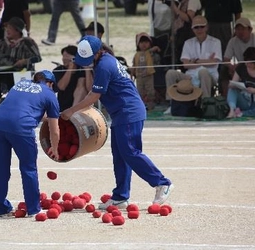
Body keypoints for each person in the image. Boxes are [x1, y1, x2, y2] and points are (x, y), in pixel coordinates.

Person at [61, 35, 174, 209]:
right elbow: (92, 89)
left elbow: (94, 96)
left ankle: (162, 183)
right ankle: (121, 196)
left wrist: (71, 110)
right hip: (121, 113)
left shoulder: (105, 65)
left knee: (130, 152)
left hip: (128, 112)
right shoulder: (102, 61)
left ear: (98, 51)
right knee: (119, 155)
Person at [0, 70, 60, 217]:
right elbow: (54, 131)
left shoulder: (20, 84)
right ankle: (34, 208)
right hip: (21, 127)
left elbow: (22, 107)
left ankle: (2, 207)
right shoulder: (49, 94)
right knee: (28, 168)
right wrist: (55, 148)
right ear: (50, 84)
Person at [164, 15, 222, 114]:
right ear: (192, 29)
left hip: (209, 75)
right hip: (190, 76)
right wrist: (206, 61)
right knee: (170, 73)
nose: (199, 29)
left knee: (203, 72)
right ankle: (172, 104)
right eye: (196, 27)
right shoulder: (188, 43)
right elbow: (185, 65)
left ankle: (206, 105)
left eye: (202, 26)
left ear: (207, 27)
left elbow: (214, 62)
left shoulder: (215, 42)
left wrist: (196, 61)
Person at [0, 17, 41, 101]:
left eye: (10, 28)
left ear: (17, 30)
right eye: (6, 28)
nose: (7, 30)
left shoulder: (27, 42)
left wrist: (24, 61)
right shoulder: (3, 43)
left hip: (22, 70)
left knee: (11, 75)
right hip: (4, 69)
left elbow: (37, 58)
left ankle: (14, 100)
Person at [219, 17, 255, 97]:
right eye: (238, 29)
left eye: (243, 29)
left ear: (250, 30)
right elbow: (226, 59)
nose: (240, 32)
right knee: (224, 70)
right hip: (240, 67)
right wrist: (231, 66)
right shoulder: (233, 41)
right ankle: (225, 95)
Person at [226, 47, 255, 118]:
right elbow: (232, 83)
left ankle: (242, 113)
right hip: (244, 99)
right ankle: (232, 110)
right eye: (246, 63)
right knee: (232, 89)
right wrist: (237, 86)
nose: (248, 65)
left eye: (250, 63)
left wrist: (254, 91)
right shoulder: (241, 67)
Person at [131, 32, 161, 111]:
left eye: (146, 42)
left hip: (149, 75)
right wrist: (132, 74)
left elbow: (153, 50)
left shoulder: (150, 53)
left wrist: (156, 48)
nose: (144, 44)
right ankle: (141, 107)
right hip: (139, 76)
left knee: (150, 91)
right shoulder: (136, 55)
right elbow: (134, 65)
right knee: (140, 91)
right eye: (141, 42)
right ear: (138, 44)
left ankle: (151, 106)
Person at [53, 45, 88, 111]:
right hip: (63, 104)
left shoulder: (81, 69)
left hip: (79, 104)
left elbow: (89, 87)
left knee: (81, 83)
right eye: (63, 56)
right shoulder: (58, 70)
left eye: (67, 56)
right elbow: (61, 87)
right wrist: (70, 69)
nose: (64, 59)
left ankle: (73, 109)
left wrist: (87, 69)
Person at [171, 0, 202, 65]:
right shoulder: (182, 2)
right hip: (180, 34)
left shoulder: (193, 1)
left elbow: (189, 18)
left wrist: (174, 7)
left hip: (188, 34)